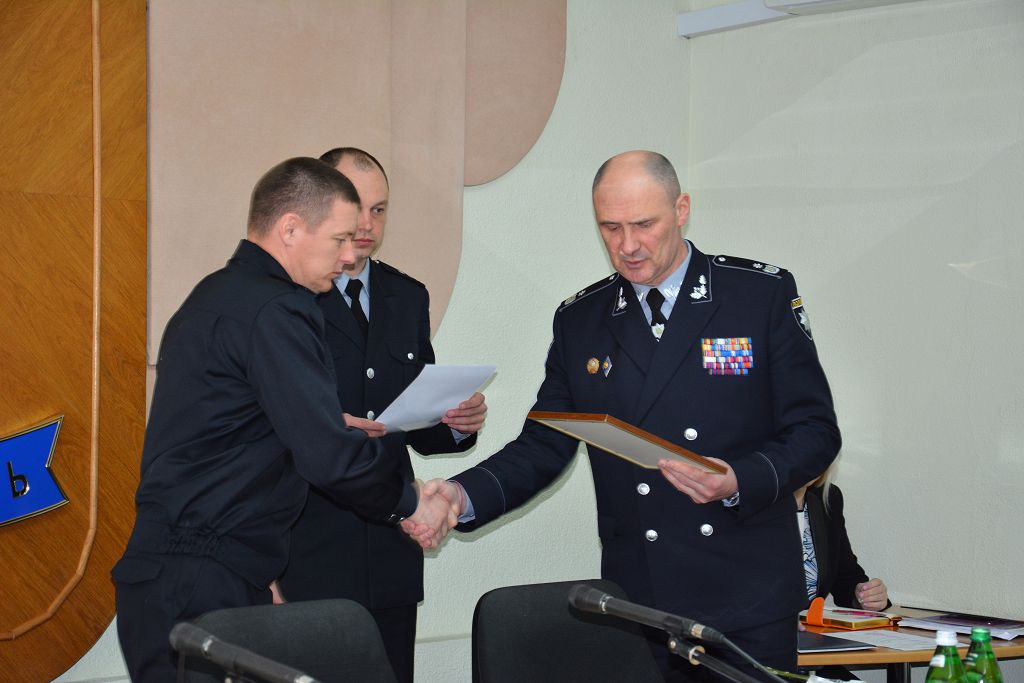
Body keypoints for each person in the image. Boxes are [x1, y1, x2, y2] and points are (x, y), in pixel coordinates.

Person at [408, 150, 841, 681]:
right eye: (610, 228)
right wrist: (460, 494)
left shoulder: (757, 295)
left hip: (745, 595)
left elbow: (816, 432)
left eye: (643, 224)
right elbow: (544, 443)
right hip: (640, 602)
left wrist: (738, 479)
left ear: (681, 210)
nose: (628, 245)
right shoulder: (582, 319)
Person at [111, 157, 455, 682]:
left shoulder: (219, 295)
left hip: (193, 572)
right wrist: (411, 501)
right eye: (339, 239)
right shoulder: (277, 308)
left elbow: (235, 431)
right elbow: (327, 457)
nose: (349, 256)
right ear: (290, 228)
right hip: (201, 579)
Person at [277, 147, 486, 683]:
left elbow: (408, 420)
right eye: (355, 208)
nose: (367, 225)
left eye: (379, 209)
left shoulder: (406, 295)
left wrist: (456, 422)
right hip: (308, 549)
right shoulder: (286, 298)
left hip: (391, 547)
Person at [795, 471, 889, 611]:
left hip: (808, 623)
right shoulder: (760, 497)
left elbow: (844, 575)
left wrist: (866, 596)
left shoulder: (827, 496)